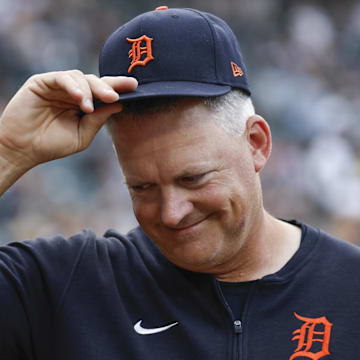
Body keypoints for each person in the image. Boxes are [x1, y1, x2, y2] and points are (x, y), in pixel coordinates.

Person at [0, 7, 359, 360]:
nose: (172, 213)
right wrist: (8, 153)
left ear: (256, 144)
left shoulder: (350, 288)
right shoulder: (67, 287)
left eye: (193, 178)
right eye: (142, 188)